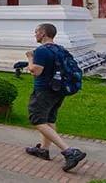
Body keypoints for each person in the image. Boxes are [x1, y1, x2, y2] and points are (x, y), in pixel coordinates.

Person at [24, 23, 87, 172]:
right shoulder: (59, 49)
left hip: (44, 91)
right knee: (49, 120)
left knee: (37, 120)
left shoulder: (41, 51)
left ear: (43, 34)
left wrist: (30, 58)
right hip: (58, 90)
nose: (35, 35)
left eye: (36, 32)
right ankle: (44, 150)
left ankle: (70, 151)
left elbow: (35, 71)